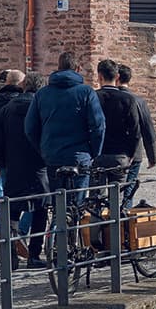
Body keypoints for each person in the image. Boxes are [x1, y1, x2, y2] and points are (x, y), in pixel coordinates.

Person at [26, 52, 105, 202]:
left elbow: (30, 128)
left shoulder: (42, 94)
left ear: (58, 67)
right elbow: (98, 125)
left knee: (58, 202)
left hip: (52, 154)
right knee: (77, 203)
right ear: (78, 68)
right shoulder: (86, 92)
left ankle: (59, 216)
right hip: (79, 155)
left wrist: (43, 149)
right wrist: (94, 152)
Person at [0, 74, 47, 266]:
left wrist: (1, 163)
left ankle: (11, 256)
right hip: (38, 165)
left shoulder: (7, 109)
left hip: (14, 165)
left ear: (24, 86)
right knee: (41, 209)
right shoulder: (41, 107)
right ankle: (34, 255)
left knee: (13, 210)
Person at [96, 58, 156, 205]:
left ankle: (101, 218)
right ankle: (124, 214)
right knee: (126, 191)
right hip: (129, 154)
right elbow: (145, 129)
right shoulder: (134, 100)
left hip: (102, 152)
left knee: (97, 195)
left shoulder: (97, 97)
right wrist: (151, 156)